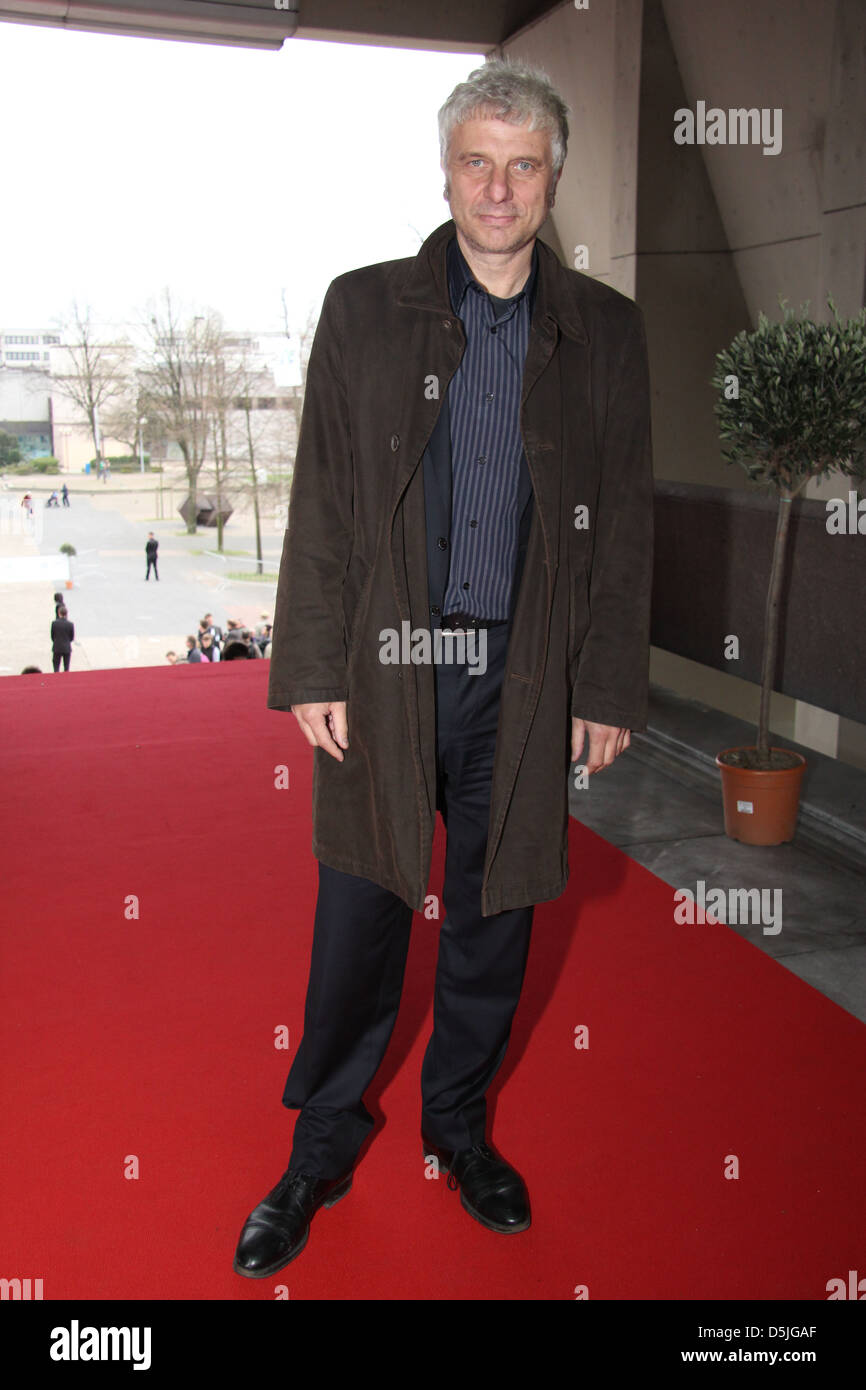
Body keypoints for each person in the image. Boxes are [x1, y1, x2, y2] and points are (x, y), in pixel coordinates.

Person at [233, 58, 654, 1280]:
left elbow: (621, 516)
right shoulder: (364, 309)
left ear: (552, 176)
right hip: (380, 667)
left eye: (523, 164)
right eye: (477, 160)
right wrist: (310, 659)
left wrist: (609, 686)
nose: (498, 187)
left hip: (520, 676)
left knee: (494, 909)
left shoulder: (604, 332)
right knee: (361, 907)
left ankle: (458, 1127)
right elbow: (320, 493)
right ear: (445, 169)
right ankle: (319, 1145)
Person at [50, 604, 75, 672]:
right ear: (66, 614)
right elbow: (72, 637)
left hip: (57, 647)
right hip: (67, 648)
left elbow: (52, 636)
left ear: (59, 613)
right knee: (66, 667)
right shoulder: (70, 624)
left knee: (56, 667)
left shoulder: (54, 623)